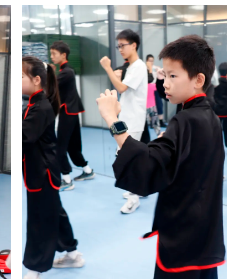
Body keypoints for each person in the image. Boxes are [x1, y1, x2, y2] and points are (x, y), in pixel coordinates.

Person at [97, 35, 224, 279]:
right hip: (205, 229)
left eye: (172, 76)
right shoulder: (207, 116)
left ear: (198, 79)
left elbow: (151, 167)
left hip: (182, 233)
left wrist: (113, 120)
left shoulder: (185, 122)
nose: (164, 83)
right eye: (163, 76)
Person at [22, 55, 82, 279]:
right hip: (42, 170)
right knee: (54, 211)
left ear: (36, 80)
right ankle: (72, 254)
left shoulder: (40, 107)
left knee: (40, 221)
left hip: (42, 173)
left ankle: (34, 275)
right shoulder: (35, 103)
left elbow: (24, 138)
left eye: (21, 77)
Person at [100, 28, 148, 214]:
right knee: (130, 156)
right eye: (118, 46)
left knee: (127, 157)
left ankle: (133, 199)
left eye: (122, 45)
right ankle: (138, 189)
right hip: (127, 117)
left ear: (134, 45)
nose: (120, 49)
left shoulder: (138, 66)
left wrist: (107, 68)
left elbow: (121, 88)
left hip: (133, 120)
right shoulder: (131, 66)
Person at [49, 40, 93, 190]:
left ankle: (66, 180)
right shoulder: (66, 70)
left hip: (68, 112)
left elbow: (51, 88)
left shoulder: (66, 72)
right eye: (51, 53)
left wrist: (47, 73)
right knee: (73, 147)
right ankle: (87, 171)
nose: (51, 56)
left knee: (60, 147)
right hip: (71, 112)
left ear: (63, 55)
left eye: (54, 54)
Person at [145, 54, 161, 137]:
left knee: (156, 123)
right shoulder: (143, 69)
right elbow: (149, 79)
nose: (151, 62)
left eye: (152, 61)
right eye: (149, 61)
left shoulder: (155, 69)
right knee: (144, 125)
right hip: (144, 105)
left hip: (152, 104)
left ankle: (160, 136)